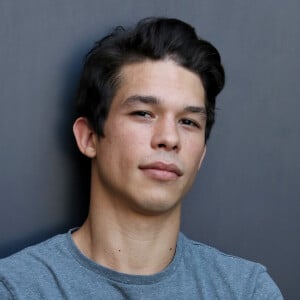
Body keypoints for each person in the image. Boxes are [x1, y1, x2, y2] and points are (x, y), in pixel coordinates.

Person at [0, 17, 283, 299]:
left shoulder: (246, 290)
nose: (169, 138)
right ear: (89, 138)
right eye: (144, 114)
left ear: (201, 155)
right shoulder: (17, 289)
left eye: (188, 122)